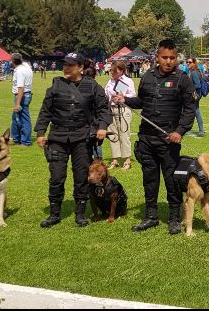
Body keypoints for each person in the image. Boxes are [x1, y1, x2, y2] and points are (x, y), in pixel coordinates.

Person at [112, 39, 196, 233]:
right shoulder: (147, 76)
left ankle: (174, 218)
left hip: (169, 140)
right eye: (164, 57)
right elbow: (142, 101)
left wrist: (180, 131)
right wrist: (125, 99)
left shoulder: (183, 79)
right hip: (147, 139)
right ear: (157, 57)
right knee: (149, 179)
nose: (168, 61)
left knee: (171, 179)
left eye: (172, 58)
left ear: (176, 58)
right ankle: (151, 216)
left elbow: (190, 110)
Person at [34, 52, 111, 228]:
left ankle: (80, 213)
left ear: (81, 67)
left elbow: (104, 109)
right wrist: (40, 132)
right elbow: (45, 110)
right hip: (58, 138)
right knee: (56, 177)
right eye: (65, 64)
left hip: (81, 138)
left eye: (70, 65)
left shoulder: (92, 86)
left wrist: (102, 127)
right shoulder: (56, 85)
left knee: (81, 176)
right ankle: (54, 214)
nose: (66, 67)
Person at [104, 61, 135, 170]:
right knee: (113, 135)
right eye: (111, 70)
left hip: (123, 109)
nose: (112, 73)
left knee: (124, 134)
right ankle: (115, 160)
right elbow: (106, 92)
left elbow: (132, 94)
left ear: (122, 71)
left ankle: (127, 160)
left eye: (115, 71)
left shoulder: (127, 81)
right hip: (111, 109)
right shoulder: (110, 80)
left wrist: (123, 95)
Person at [10, 53, 34, 147]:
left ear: (13, 61)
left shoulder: (19, 71)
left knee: (24, 118)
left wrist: (17, 103)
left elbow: (21, 87)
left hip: (22, 95)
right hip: (26, 95)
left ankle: (25, 141)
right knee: (16, 117)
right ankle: (16, 139)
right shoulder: (26, 67)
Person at [187, 57, 206, 137]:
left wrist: (191, 90)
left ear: (194, 63)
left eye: (190, 62)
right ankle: (201, 130)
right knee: (196, 112)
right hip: (196, 95)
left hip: (195, 95)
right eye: (187, 62)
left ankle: (200, 130)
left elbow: (197, 85)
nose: (188, 63)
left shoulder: (194, 73)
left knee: (189, 111)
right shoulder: (193, 71)